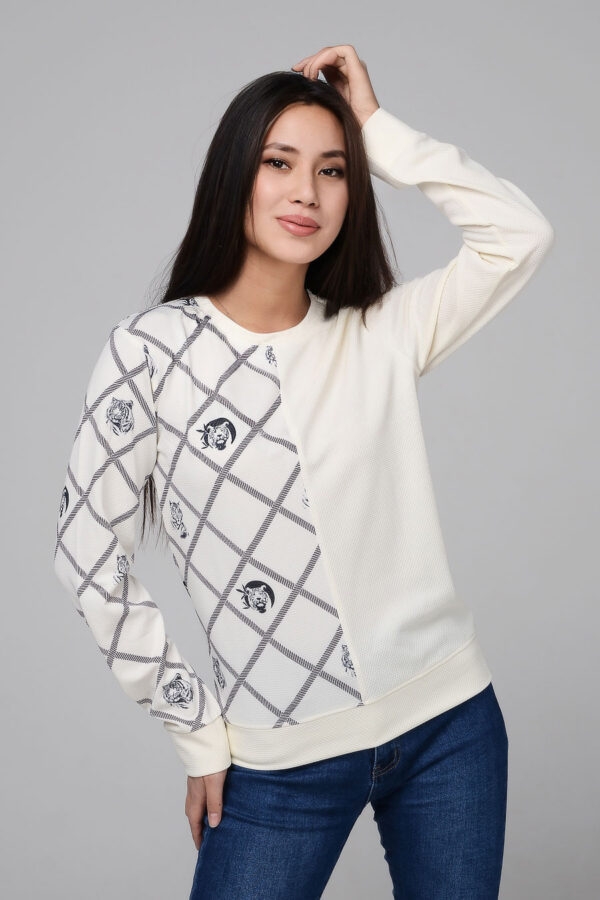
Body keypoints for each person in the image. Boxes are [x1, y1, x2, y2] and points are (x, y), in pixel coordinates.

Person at [53, 44, 554, 899]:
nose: (307, 194)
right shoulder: (150, 354)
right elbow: (86, 552)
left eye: (333, 170)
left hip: (449, 728)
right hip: (280, 763)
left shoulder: (378, 333)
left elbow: (521, 235)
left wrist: (377, 129)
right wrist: (195, 729)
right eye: (278, 163)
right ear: (234, 177)